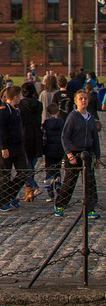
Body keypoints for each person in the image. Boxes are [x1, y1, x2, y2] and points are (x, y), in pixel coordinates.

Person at [54, 90, 101, 219]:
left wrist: (97, 156)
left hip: (87, 153)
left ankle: (90, 208)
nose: (84, 101)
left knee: (90, 182)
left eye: (85, 98)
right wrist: (69, 154)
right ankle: (60, 205)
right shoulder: (73, 117)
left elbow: (95, 138)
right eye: (81, 99)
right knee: (70, 181)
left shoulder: (90, 118)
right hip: (74, 153)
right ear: (76, 101)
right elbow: (65, 136)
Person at [0, 85, 26, 211]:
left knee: (24, 172)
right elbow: (0, 130)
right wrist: (3, 147)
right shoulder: (3, 110)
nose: (21, 98)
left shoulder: (16, 110)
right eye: (20, 96)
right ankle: (4, 202)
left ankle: (10, 195)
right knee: (5, 175)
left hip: (18, 147)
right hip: (6, 147)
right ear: (15, 96)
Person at [19, 81, 44, 202]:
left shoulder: (20, 105)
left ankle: (31, 188)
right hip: (36, 135)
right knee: (31, 164)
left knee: (26, 165)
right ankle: (31, 189)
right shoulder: (39, 105)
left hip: (24, 135)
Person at [41, 101, 65, 201]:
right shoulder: (62, 122)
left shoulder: (46, 123)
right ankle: (58, 185)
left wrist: (43, 148)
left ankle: (50, 192)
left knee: (49, 171)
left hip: (49, 150)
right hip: (59, 149)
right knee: (57, 170)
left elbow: (44, 138)